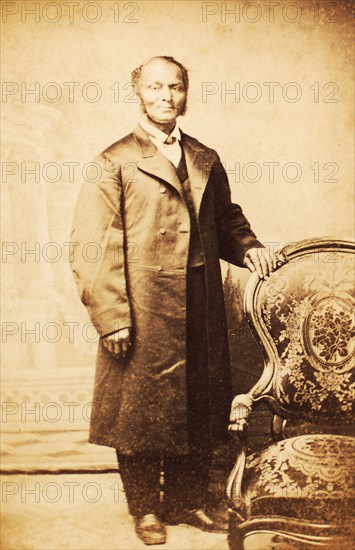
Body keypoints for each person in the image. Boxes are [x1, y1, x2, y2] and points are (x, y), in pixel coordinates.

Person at [70, 55, 275, 546]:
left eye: (176, 87)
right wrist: (112, 318)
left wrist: (250, 248)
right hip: (141, 306)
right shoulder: (113, 161)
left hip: (201, 303)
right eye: (156, 87)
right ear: (137, 92)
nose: (166, 96)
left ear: (186, 92)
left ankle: (185, 503)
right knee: (138, 411)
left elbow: (226, 219)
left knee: (199, 406)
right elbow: (90, 247)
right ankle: (144, 510)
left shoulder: (205, 156)